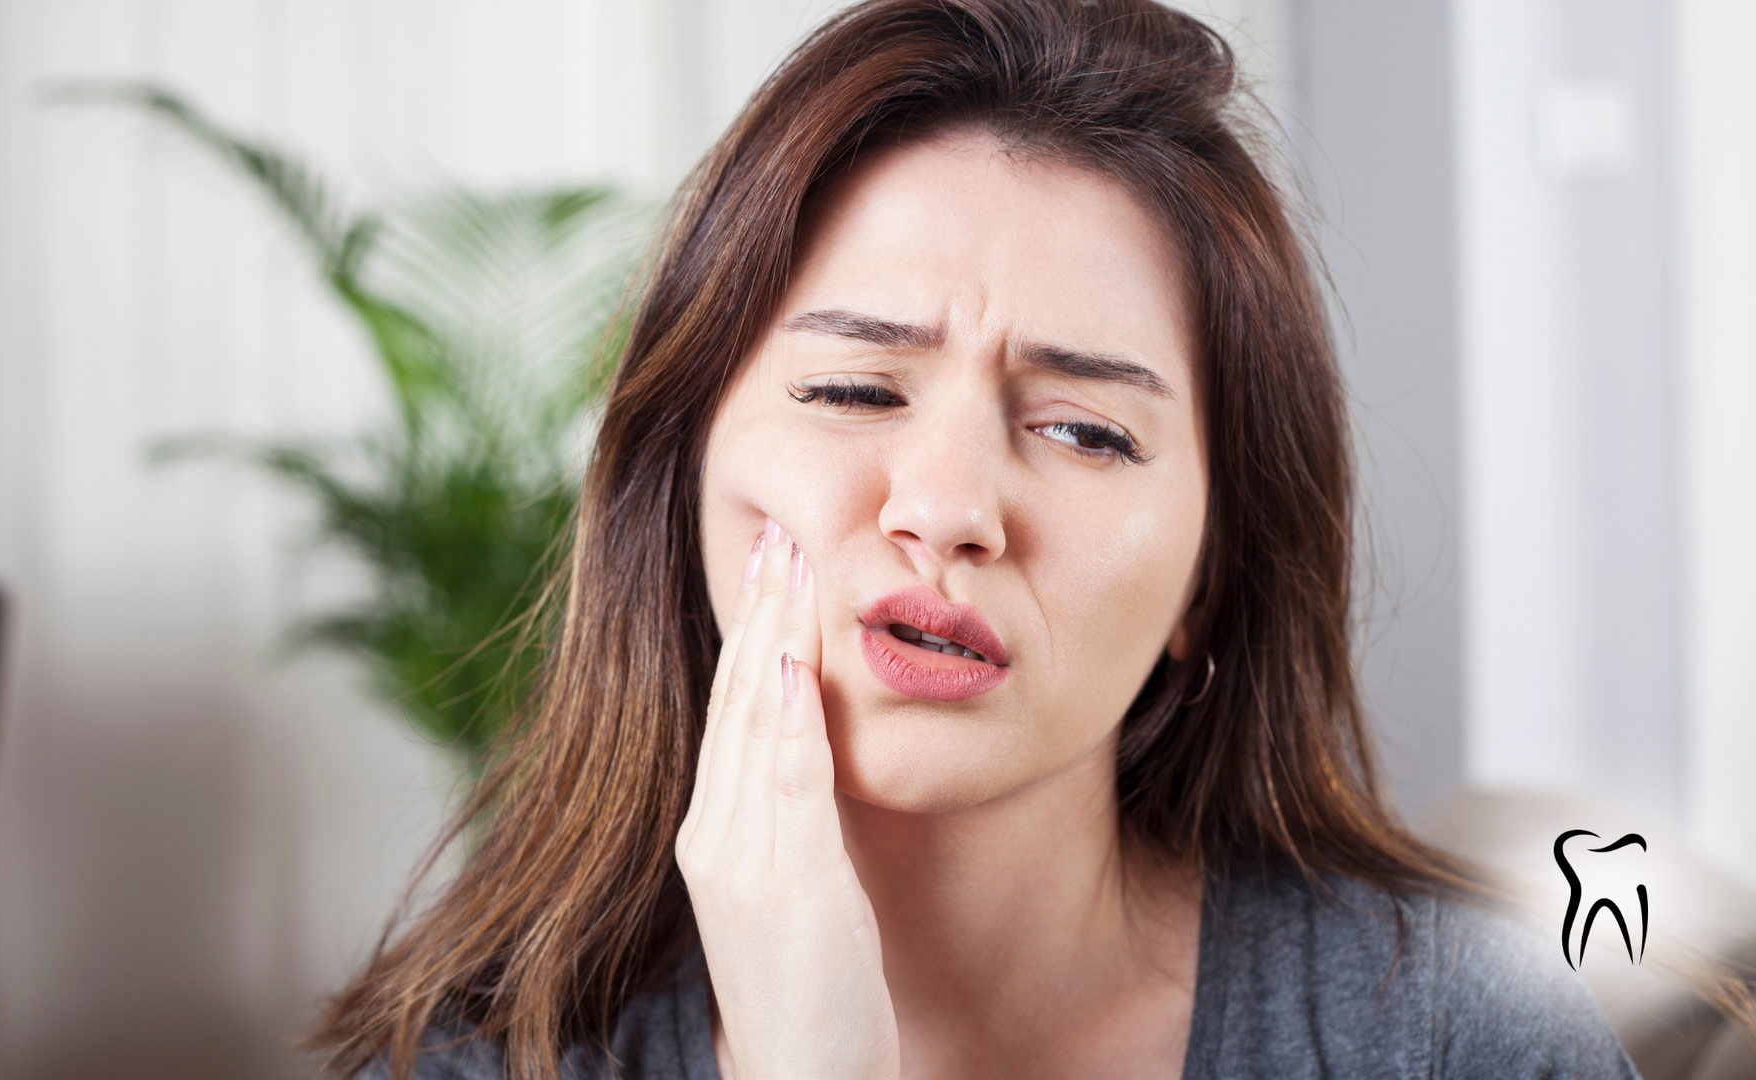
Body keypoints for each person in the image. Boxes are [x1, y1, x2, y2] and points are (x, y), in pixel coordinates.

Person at [315, 1, 1643, 1077]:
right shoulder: (479, 1063)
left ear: (1211, 575)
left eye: (1085, 432)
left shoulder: (1460, 1038)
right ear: (682, 473)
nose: (947, 508)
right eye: (850, 392)